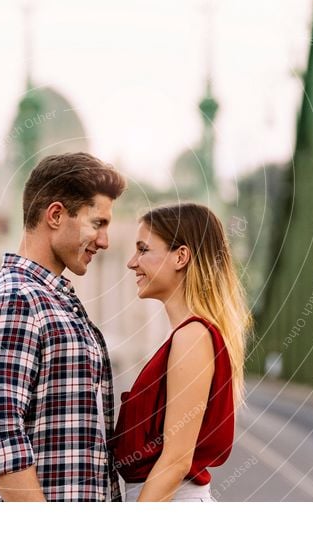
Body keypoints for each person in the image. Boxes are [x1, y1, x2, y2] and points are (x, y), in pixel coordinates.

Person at [0, 152, 127, 502]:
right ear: (55, 215)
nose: (105, 241)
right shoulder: (17, 299)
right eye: (98, 223)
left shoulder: (55, 301)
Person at [109, 203, 251, 502]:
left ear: (181, 256)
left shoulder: (192, 337)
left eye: (143, 249)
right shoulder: (187, 336)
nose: (132, 262)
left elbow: (176, 462)